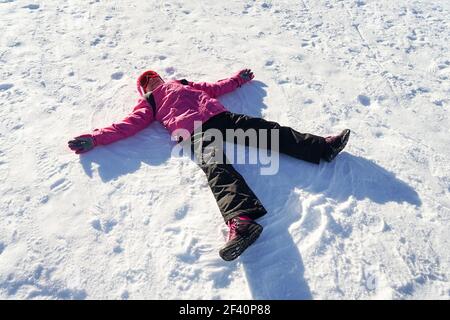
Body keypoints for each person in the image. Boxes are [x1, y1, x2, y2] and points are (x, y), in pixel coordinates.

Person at [68, 69, 350, 261]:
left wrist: (238, 80)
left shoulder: (184, 84)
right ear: (143, 90)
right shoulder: (150, 104)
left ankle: (321, 147)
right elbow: (126, 126)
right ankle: (242, 222)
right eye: (147, 81)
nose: (153, 81)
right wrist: (96, 139)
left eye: (154, 76)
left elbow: (216, 87)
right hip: (193, 133)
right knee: (217, 169)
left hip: (219, 118)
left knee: (267, 130)